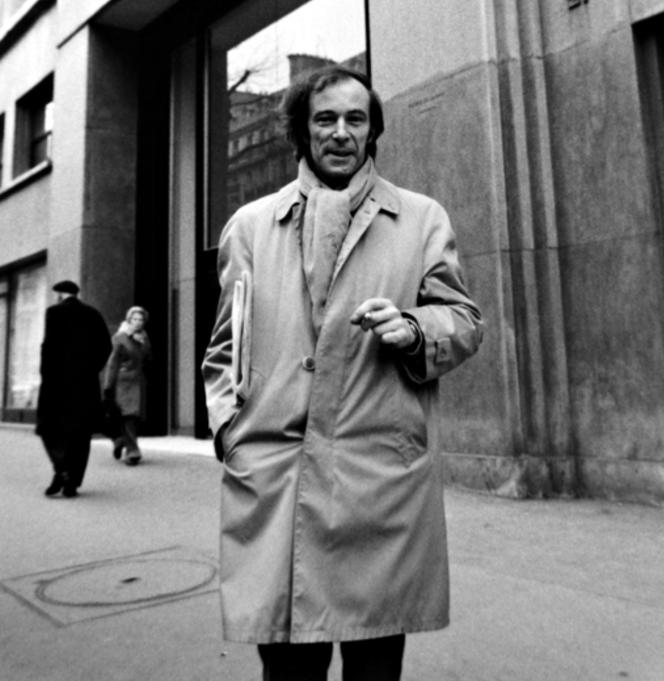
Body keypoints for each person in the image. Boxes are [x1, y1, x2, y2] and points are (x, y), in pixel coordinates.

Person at [202, 66, 484, 681]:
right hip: (276, 485)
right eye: (324, 118)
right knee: (288, 669)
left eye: (355, 119)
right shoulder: (249, 227)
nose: (340, 132)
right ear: (302, 133)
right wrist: (231, 433)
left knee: (375, 666)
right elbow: (225, 346)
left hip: (379, 482)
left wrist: (414, 328)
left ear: (373, 131)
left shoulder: (421, 218)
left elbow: (464, 321)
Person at [35, 279, 112, 498]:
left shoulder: (54, 313)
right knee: (80, 433)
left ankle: (61, 469)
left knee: (49, 427)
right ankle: (72, 482)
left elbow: (48, 346)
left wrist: (46, 375)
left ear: (59, 294)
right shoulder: (93, 314)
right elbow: (106, 346)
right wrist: (91, 369)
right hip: (85, 385)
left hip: (56, 383)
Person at [103, 306, 151, 466]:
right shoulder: (120, 338)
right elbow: (113, 363)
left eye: (141, 319)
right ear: (129, 320)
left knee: (134, 417)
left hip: (138, 381)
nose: (138, 322)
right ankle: (132, 451)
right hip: (123, 382)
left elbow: (147, 358)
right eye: (135, 319)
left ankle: (120, 441)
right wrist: (108, 385)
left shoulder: (144, 337)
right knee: (128, 416)